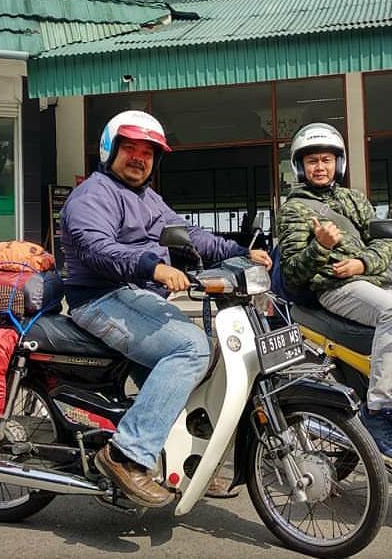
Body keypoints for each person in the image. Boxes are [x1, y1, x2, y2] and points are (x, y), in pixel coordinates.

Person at [60, 110, 271, 507]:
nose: (139, 158)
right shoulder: (93, 194)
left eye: (148, 152)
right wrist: (151, 266)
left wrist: (241, 252)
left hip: (137, 298)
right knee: (190, 347)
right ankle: (126, 454)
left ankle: (187, 461)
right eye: (130, 148)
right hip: (99, 298)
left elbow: (188, 236)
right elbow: (97, 248)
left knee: (208, 355)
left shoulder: (147, 198)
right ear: (110, 149)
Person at [276, 123, 392, 493]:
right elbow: (295, 270)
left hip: (369, 282)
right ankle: (378, 412)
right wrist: (321, 249)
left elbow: (382, 245)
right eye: (312, 161)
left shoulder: (355, 200)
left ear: (338, 164)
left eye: (326, 160)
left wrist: (361, 263)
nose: (320, 167)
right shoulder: (294, 210)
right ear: (300, 167)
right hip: (333, 289)